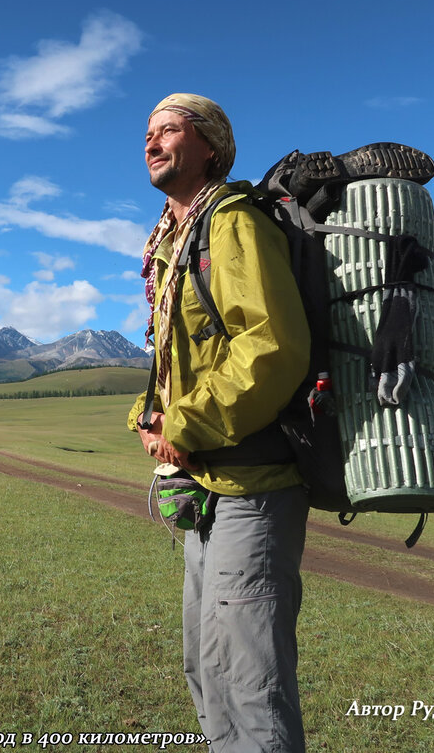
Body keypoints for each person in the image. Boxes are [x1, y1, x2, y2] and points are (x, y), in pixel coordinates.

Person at [128, 93, 311, 752]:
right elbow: (176, 359)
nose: (151, 143)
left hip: (254, 486)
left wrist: (182, 425)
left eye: (168, 130)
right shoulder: (172, 243)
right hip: (207, 483)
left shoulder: (231, 223)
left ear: (210, 146)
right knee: (206, 669)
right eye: (147, 133)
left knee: (248, 682)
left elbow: (270, 347)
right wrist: (148, 417)